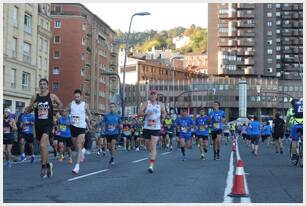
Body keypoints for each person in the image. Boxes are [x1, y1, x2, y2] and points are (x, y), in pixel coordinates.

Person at [139, 89, 166, 173]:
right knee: (147, 145)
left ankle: (151, 166)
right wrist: (146, 114)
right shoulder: (146, 103)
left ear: (156, 96)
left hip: (156, 127)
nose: (153, 95)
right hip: (147, 127)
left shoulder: (160, 104)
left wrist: (163, 116)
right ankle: (150, 151)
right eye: (151, 94)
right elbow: (139, 112)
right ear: (149, 95)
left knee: (153, 145)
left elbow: (164, 112)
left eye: (154, 94)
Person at [67, 89, 92, 175]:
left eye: (78, 97)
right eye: (75, 97)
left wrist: (91, 121)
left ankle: (77, 166)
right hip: (73, 127)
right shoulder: (71, 104)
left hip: (81, 127)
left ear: (81, 97)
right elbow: (67, 111)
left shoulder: (85, 105)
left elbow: (89, 114)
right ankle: (82, 151)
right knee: (75, 146)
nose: (76, 98)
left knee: (78, 144)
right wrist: (65, 115)